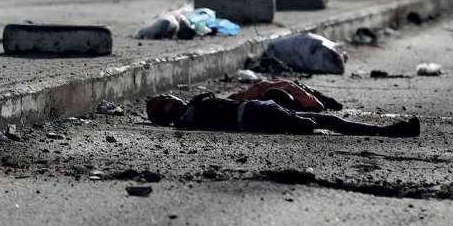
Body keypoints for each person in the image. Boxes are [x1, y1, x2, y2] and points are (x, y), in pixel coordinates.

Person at [145, 89, 421, 138]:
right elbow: (196, 119)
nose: (169, 98)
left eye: (166, 96)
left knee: (332, 121)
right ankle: (391, 132)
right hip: (253, 118)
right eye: (163, 103)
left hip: (257, 110)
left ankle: (389, 131)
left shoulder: (193, 105)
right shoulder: (185, 120)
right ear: (164, 116)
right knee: (308, 123)